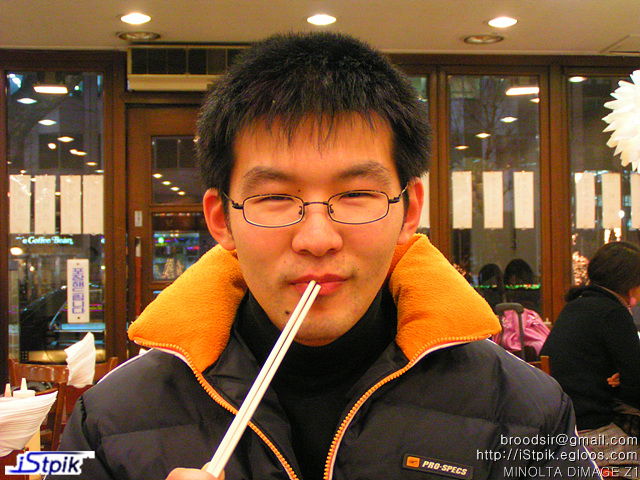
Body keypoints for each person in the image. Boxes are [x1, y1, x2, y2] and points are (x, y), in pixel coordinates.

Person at [59, 32, 598, 480]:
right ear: (221, 219)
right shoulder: (111, 420)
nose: (317, 238)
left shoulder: (523, 411)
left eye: (356, 194)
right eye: (275, 197)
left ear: (409, 210)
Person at [541, 241, 640, 472]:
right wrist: (625, 380)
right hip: (592, 435)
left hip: (561, 431)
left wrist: (622, 378)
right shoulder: (613, 314)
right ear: (629, 282)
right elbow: (636, 387)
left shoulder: (574, 307)